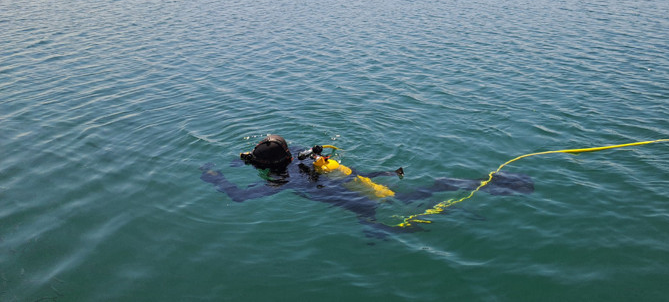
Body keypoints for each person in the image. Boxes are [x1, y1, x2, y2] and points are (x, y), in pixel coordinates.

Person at [201, 134, 534, 231]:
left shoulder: (282, 183)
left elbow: (241, 197)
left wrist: (215, 178)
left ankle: (476, 198)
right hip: (360, 183)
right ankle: (487, 183)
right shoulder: (306, 156)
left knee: (400, 213)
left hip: (358, 202)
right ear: (288, 152)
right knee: (419, 194)